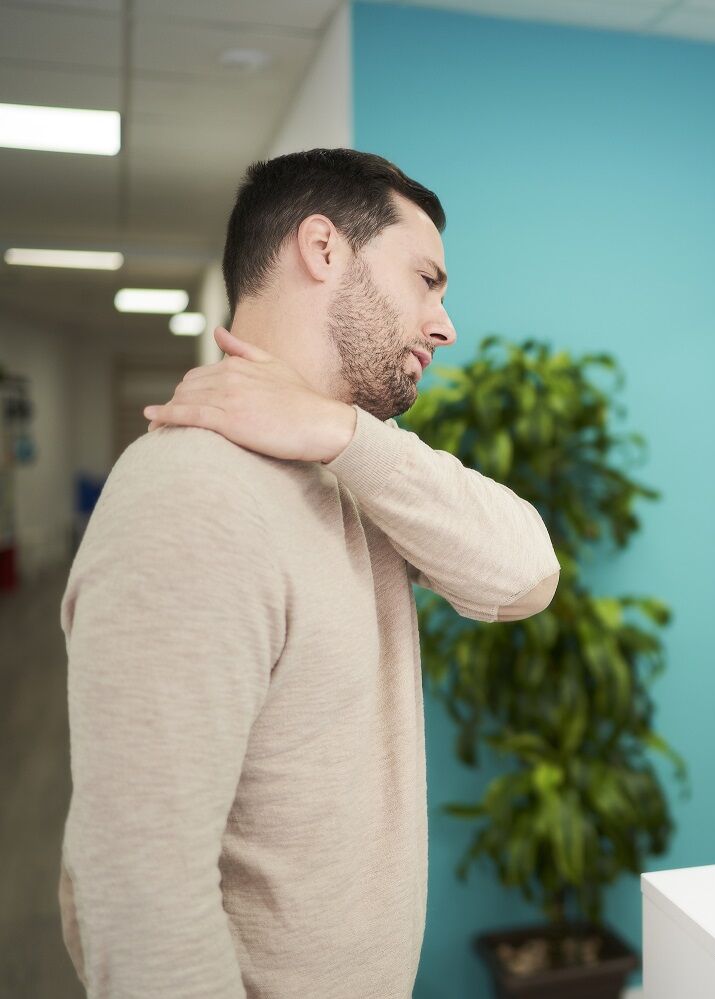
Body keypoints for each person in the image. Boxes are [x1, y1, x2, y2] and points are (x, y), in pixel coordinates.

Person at [59, 148, 561, 997]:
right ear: (324, 249)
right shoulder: (193, 497)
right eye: (426, 279)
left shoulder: (345, 463)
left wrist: (341, 435)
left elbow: (524, 576)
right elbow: (137, 897)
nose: (445, 325)